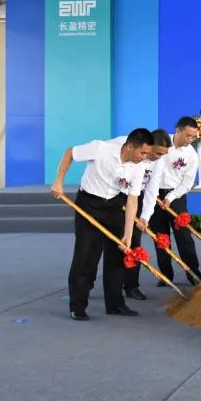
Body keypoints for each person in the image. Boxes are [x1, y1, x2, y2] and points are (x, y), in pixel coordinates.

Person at [51, 127, 153, 321]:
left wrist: (128, 234)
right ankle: (78, 306)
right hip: (89, 203)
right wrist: (58, 181)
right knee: (85, 256)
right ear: (130, 147)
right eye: (143, 153)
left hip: (114, 205)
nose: (145, 158)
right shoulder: (100, 148)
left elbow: (132, 200)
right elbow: (69, 153)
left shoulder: (139, 166)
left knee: (117, 254)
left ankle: (115, 304)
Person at [140, 116, 201, 286]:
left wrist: (169, 197)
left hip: (176, 197)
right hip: (153, 196)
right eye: (188, 135)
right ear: (178, 130)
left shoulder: (191, 155)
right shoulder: (160, 143)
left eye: (194, 137)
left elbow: (187, 184)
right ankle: (166, 275)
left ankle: (193, 273)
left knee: (184, 237)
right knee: (160, 237)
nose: (190, 140)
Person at [117, 129, 170, 301]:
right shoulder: (128, 149)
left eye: (162, 155)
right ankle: (92, 281)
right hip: (116, 196)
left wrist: (145, 217)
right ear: (148, 146)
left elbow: (152, 190)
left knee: (135, 243)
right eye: (157, 153)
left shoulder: (159, 162)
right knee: (109, 242)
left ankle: (131, 286)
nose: (159, 158)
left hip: (135, 199)